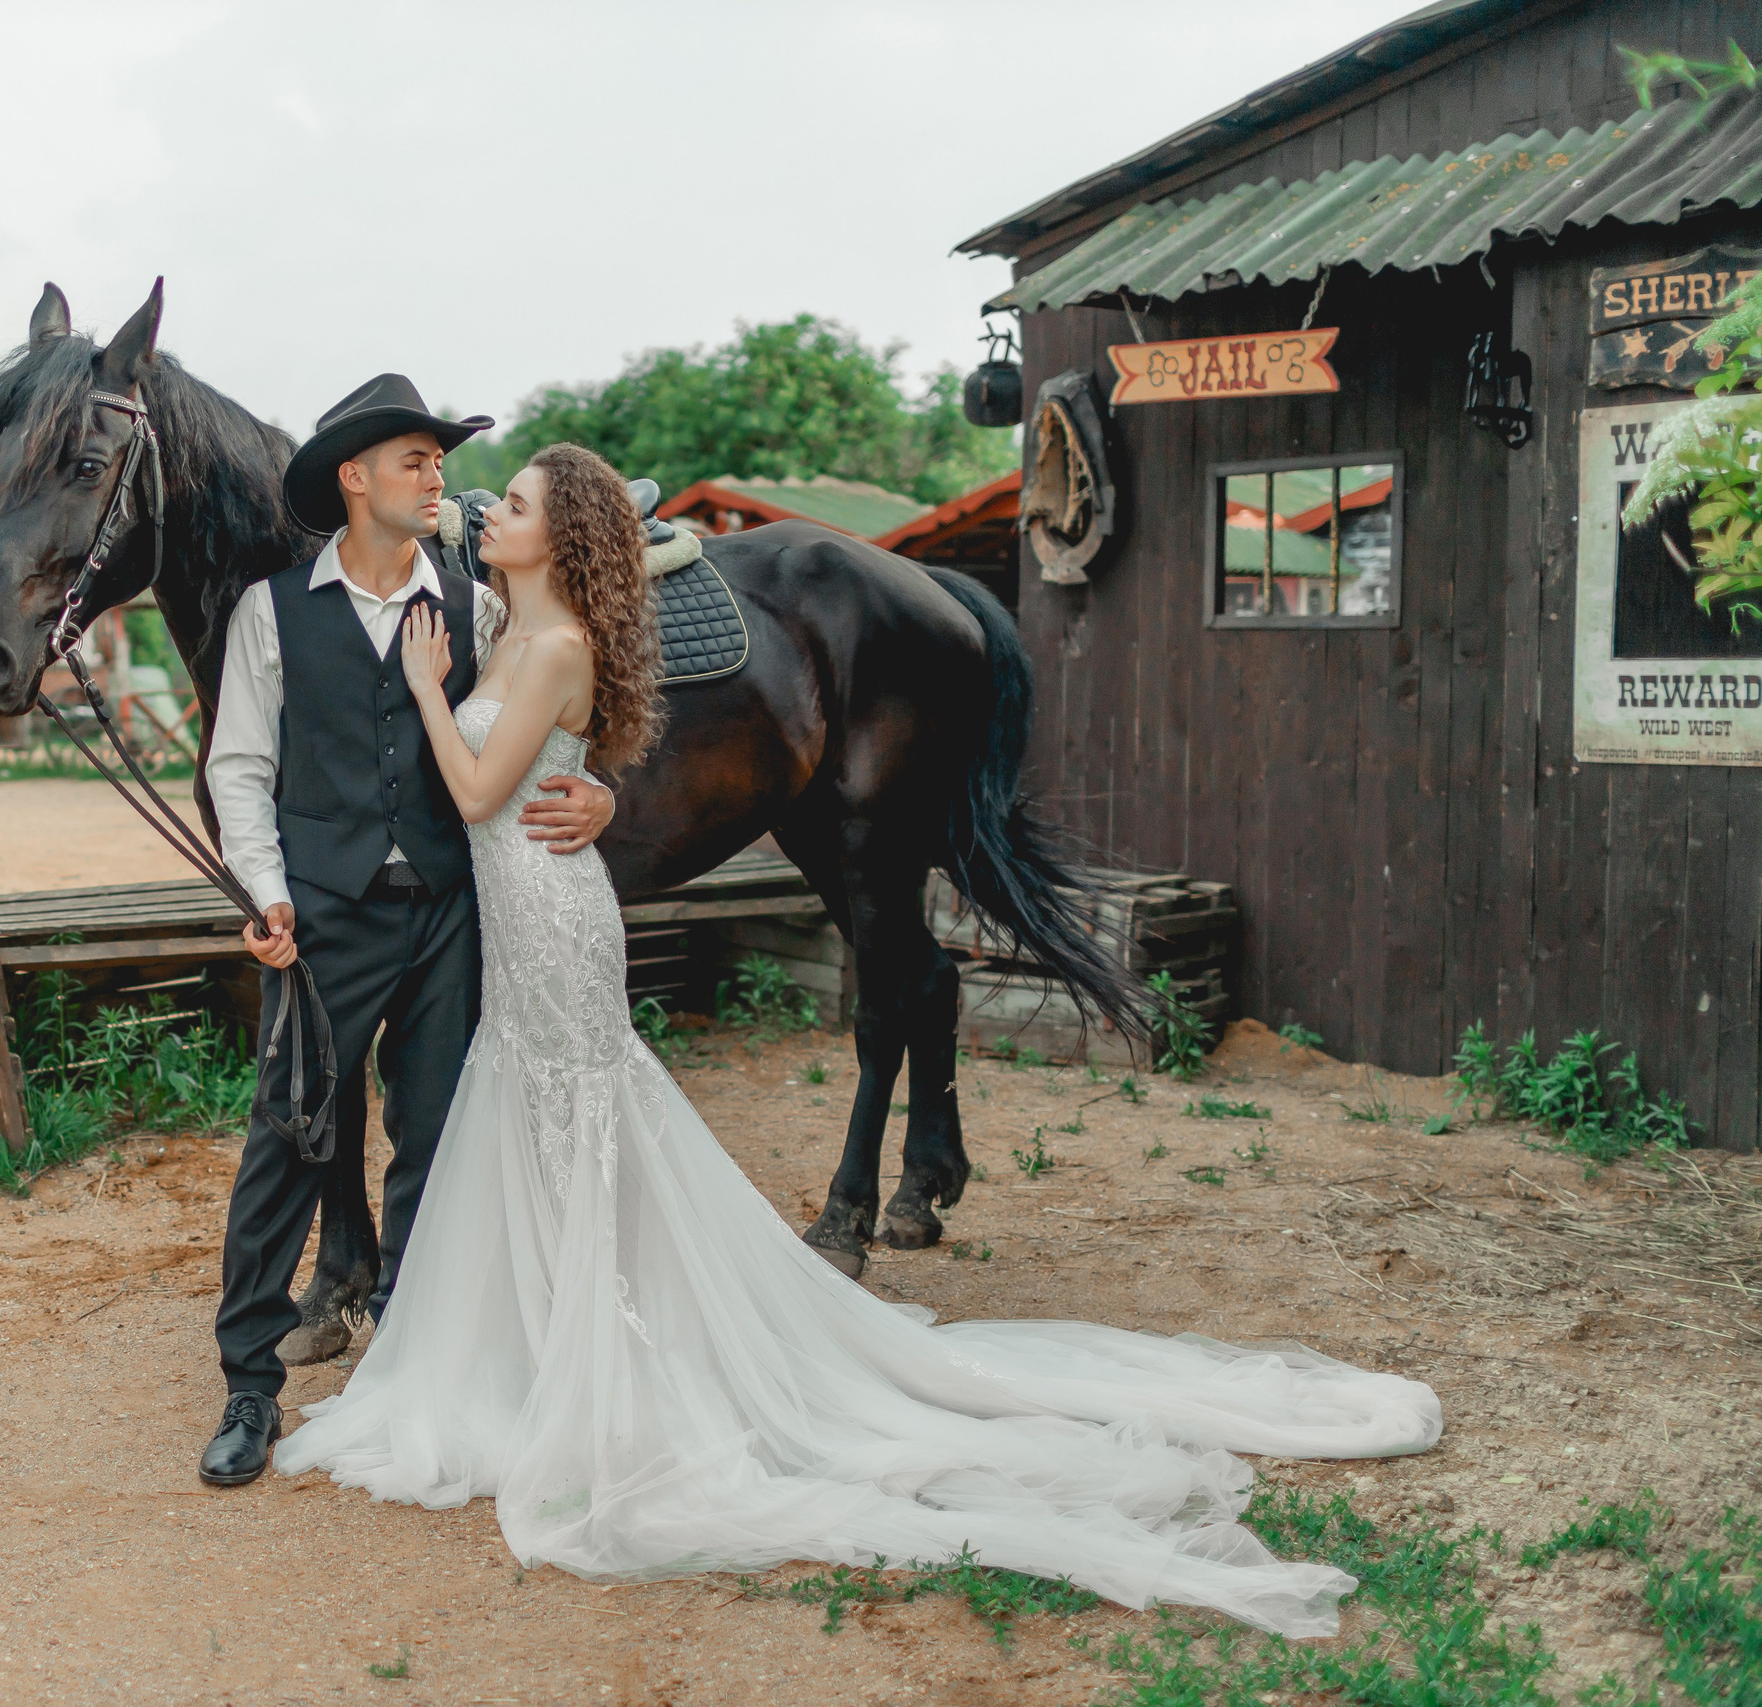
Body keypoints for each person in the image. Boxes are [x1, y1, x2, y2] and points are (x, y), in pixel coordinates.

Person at [274, 442, 1443, 1638]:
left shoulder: (552, 642)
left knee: (582, 1111)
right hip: (523, 908)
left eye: (513, 504)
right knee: (533, 1115)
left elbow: (488, 785)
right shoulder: (494, 619)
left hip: (551, 914)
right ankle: (542, 1338)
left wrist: (442, 700)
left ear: (556, 538)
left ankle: (611, 1350)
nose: (487, 512)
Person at [199, 375, 617, 1487]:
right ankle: (249, 1386)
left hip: (450, 916)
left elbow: (564, 715)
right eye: (414, 460)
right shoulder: (269, 611)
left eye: (440, 459)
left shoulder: (479, 606)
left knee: (437, 1139)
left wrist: (602, 793)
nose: (438, 478)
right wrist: (266, 893)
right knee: (289, 1133)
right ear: (355, 477)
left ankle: (408, 1363)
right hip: (322, 916)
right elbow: (239, 768)